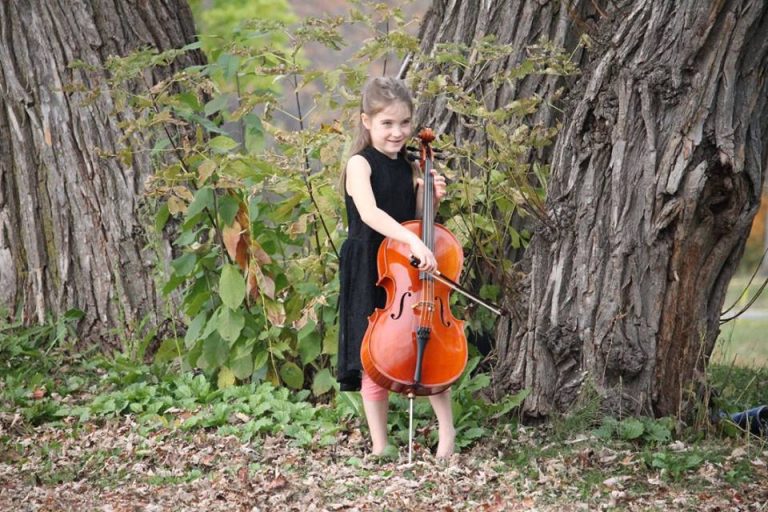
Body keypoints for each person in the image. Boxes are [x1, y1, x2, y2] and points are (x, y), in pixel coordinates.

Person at [336, 76, 455, 458]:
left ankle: (448, 437)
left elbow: (412, 219)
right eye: (387, 123)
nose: (398, 132)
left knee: (430, 340)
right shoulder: (359, 164)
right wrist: (414, 242)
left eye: (405, 123)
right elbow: (371, 213)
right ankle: (380, 445)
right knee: (375, 356)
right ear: (366, 121)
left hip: (405, 267)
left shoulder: (408, 165)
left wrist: (428, 196)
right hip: (369, 262)